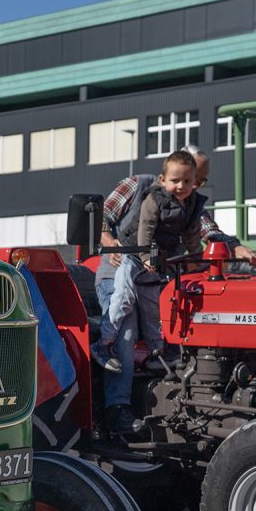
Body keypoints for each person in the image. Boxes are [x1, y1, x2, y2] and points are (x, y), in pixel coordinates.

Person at [95, 146, 256, 435]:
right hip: (121, 269)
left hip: (157, 277)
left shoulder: (189, 200)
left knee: (177, 321)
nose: (190, 187)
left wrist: (234, 246)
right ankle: (116, 408)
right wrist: (108, 241)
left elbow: (205, 230)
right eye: (185, 179)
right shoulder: (137, 186)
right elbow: (100, 217)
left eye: (197, 182)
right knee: (126, 327)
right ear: (171, 171)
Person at [95, 149, 206, 373]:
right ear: (162, 179)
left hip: (154, 266)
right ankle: (103, 345)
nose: (181, 186)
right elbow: (144, 229)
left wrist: (199, 265)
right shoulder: (151, 195)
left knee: (154, 310)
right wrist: (143, 255)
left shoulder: (191, 203)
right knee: (123, 303)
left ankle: (158, 356)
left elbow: (194, 234)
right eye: (175, 180)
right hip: (132, 256)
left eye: (189, 181)